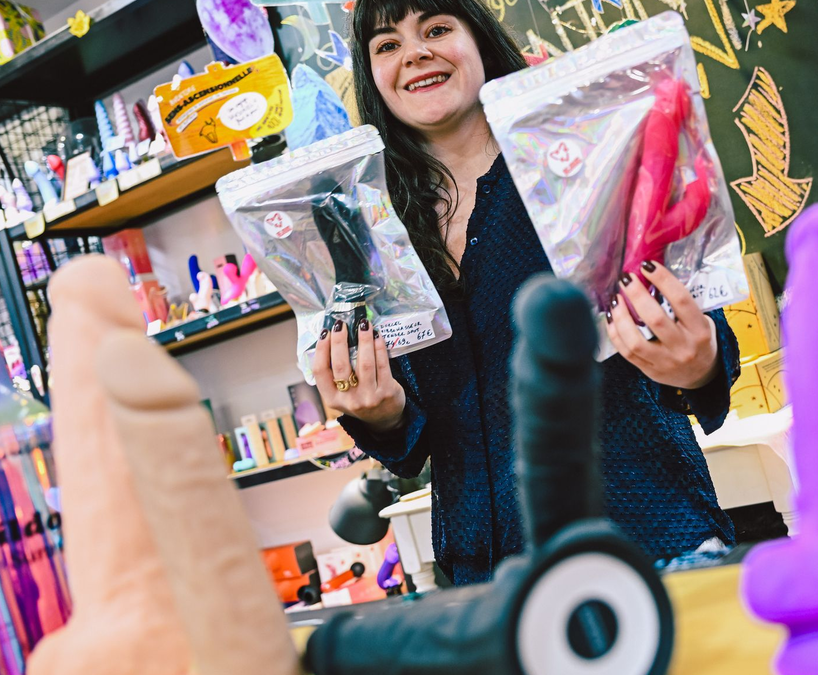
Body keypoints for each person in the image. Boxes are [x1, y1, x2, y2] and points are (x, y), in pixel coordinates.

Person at [313, 0, 741, 586]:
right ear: (373, 77)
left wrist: (698, 362)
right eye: (387, 45)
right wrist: (382, 416)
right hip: (491, 581)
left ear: (480, 41)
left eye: (436, 29)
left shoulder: (584, 162)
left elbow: (697, 333)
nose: (414, 52)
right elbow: (411, 437)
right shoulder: (375, 228)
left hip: (650, 548)